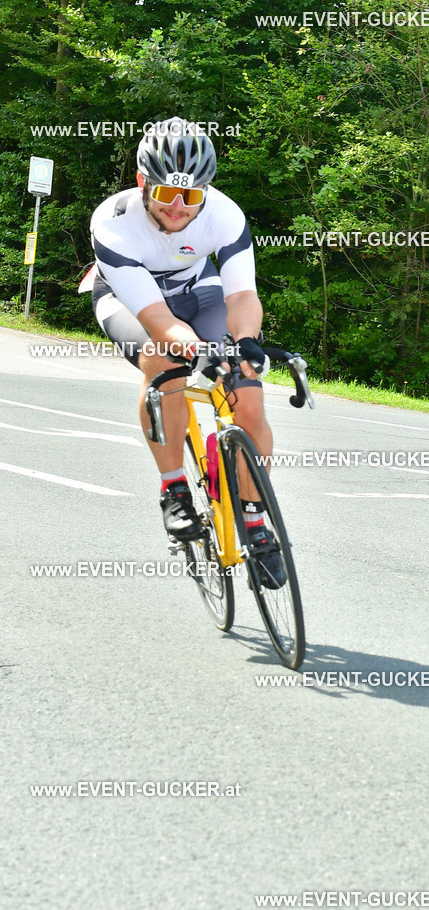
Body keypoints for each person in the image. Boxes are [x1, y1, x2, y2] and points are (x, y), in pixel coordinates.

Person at [88, 116, 285, 585]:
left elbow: (242, 295)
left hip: (199, 290)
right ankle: (174, 488)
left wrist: (246, 343)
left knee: (247, 390)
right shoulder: (112, 225)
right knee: (166, 364)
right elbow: (157, 319)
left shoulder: (225, 215)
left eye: (191, 196)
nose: (178, 206)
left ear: (206, 191)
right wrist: (200, 351)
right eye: (166, 193)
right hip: (130, 300)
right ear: (142, 183)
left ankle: (256, 521)